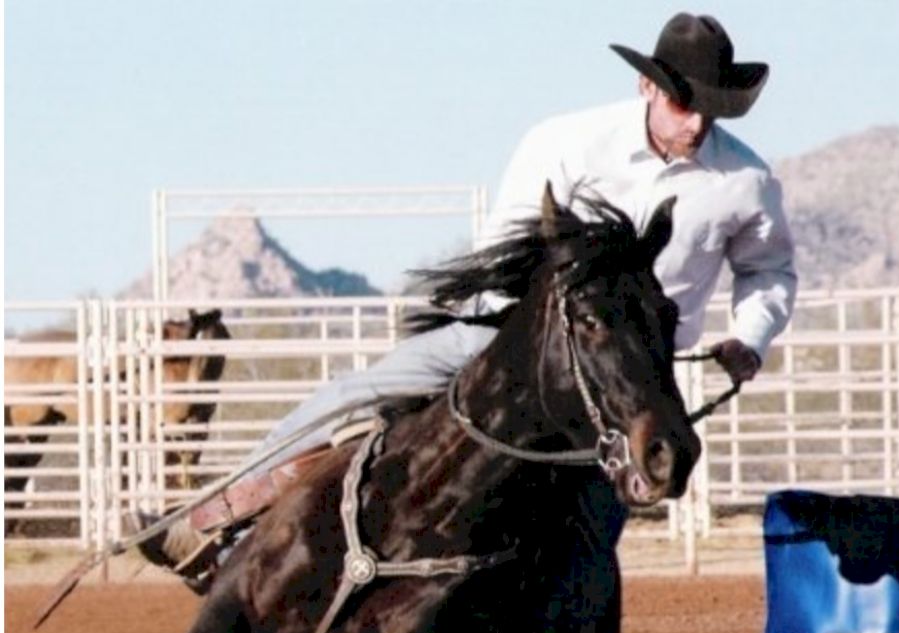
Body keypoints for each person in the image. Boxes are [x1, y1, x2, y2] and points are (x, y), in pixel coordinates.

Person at [137, 11, 798, 590]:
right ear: (647, 86)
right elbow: (508, 243)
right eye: (686, 102)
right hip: (506, 338)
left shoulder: (745, 181)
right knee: (354, 395)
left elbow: (769, 271)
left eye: (712, 107)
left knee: (593, 526)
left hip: (625, 377)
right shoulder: (566, 142)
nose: (699, 120)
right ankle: (201, 524)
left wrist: (751, 335)